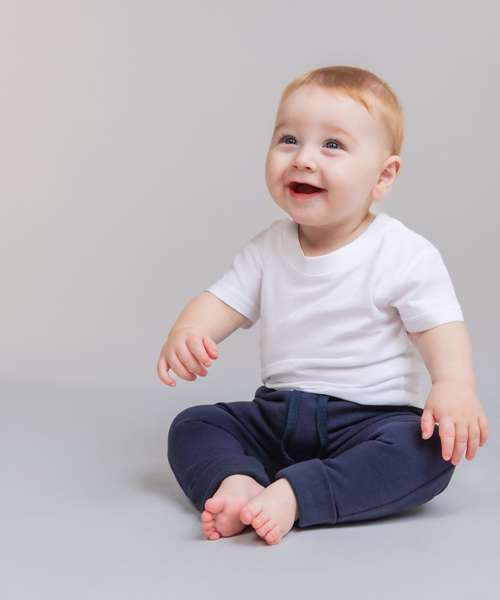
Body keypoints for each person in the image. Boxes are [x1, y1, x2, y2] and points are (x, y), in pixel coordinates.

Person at [157, 65, 490, 546]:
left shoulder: (403, 253)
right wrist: (189, 331)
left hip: (370, 419)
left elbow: (439, 326)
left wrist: (454, 385)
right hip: (277, 415)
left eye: (332, 145)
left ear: (383, 176)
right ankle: (238, 481)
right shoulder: (268, 248)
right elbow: (220, 301)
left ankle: (296, 494)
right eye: (288, 139)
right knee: (194, 424)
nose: (303, 159)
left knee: (428, 453)